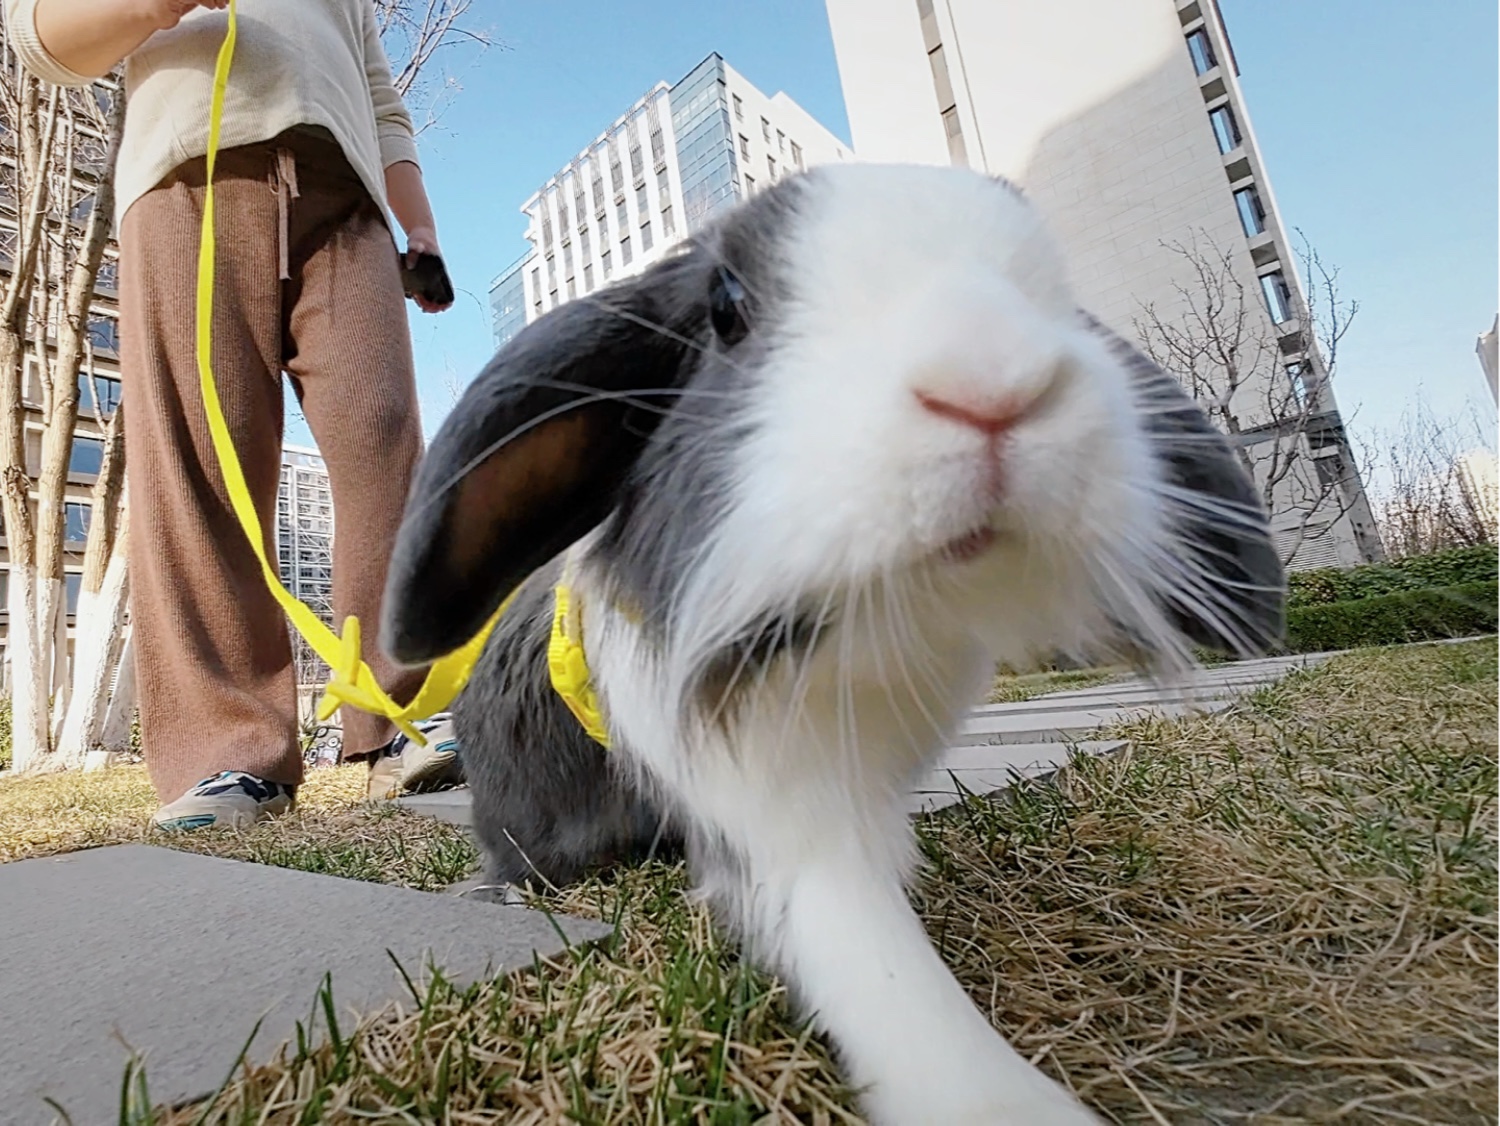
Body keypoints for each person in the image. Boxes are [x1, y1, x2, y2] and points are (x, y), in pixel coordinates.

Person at [7, 0, 458, 827]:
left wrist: (418, 225)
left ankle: (402, 722)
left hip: (345, 205)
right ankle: (228, 754)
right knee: (202, 462)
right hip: (186, 175)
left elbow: (384, 102)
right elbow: (38, 41)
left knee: (384, 440)